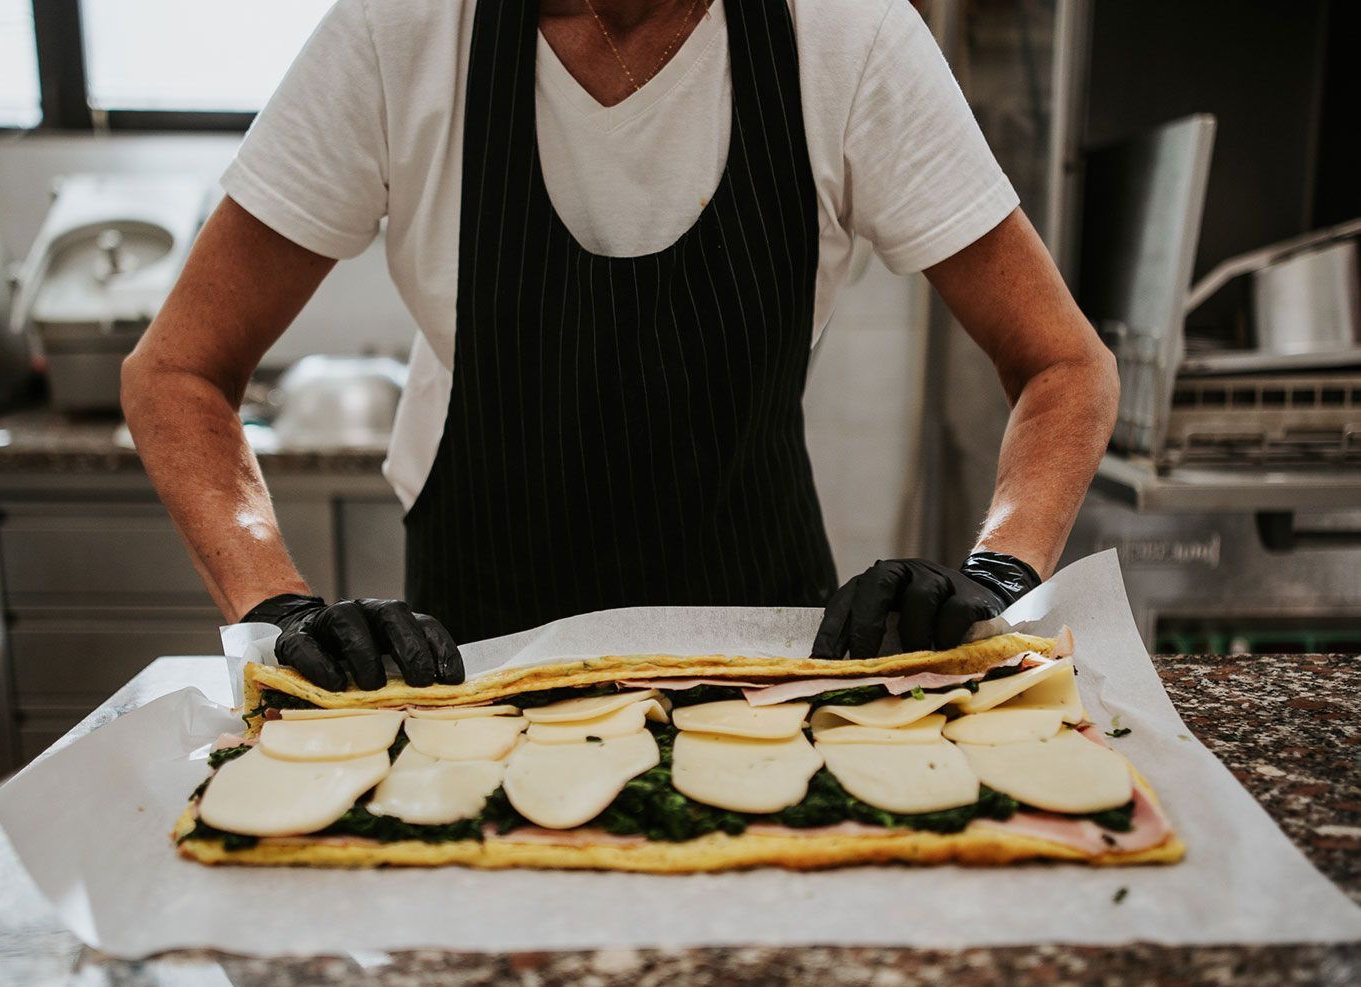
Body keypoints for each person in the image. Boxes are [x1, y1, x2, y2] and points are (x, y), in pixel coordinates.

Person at [121, 0, 1118, 692]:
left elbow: (1064, 365)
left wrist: (1002, 575)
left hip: (759, 663)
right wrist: (279, 608)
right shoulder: (403, 36)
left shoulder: (844, 36)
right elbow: (177, 371)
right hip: (474, 664)